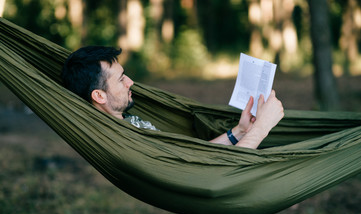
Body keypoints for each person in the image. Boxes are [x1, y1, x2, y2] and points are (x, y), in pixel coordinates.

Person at [61, 46, 284, 149]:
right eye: (120, 79)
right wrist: (261, 128)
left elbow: (193, 159)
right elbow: (221, 175)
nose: (131, 82)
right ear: (98, 95)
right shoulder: (124, 142)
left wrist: (240, 132)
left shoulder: (129, 122)